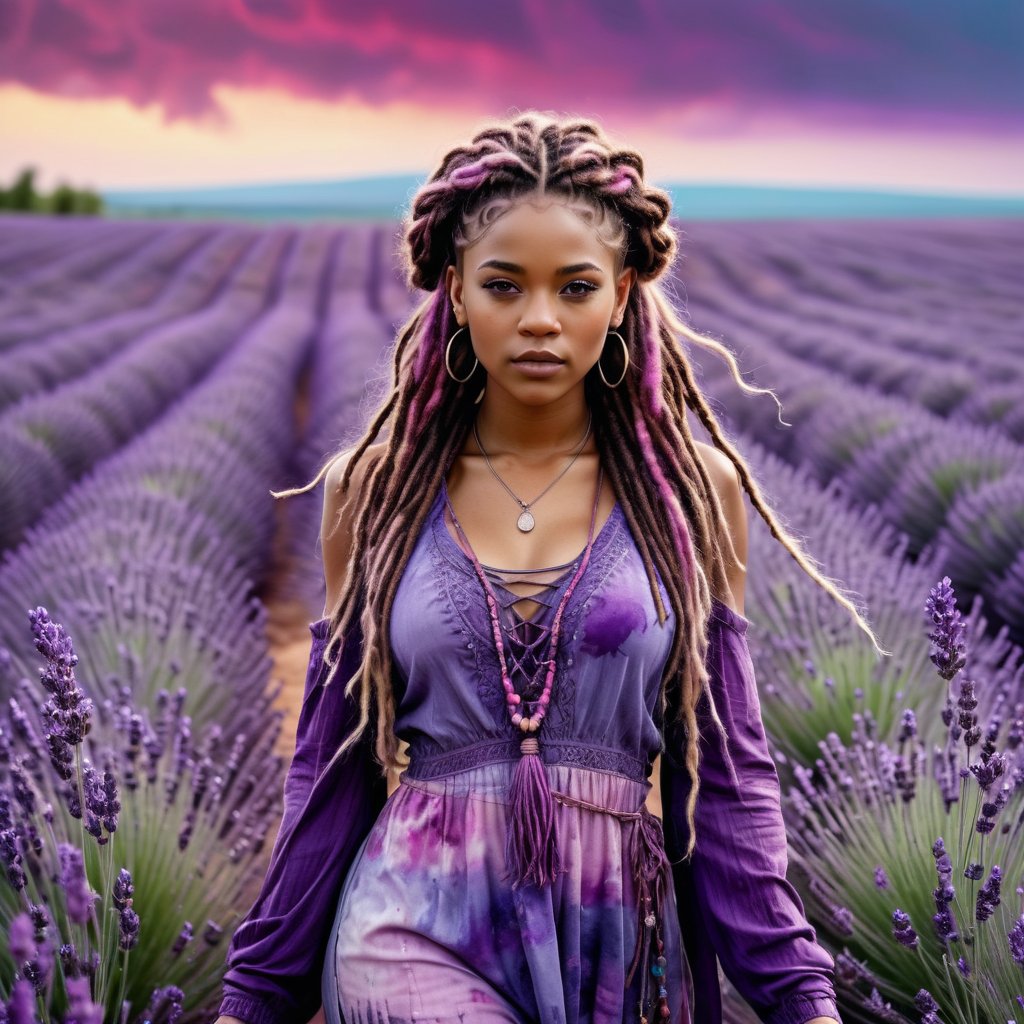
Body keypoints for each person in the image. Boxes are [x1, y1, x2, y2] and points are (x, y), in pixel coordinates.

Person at [216, 111, 884, 1024]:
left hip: (619, 937)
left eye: (575, 287)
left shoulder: (695, 495)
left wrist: (802, 996)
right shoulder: (372, 490)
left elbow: (724, 779)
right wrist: (255, 994)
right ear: (454, 291)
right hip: (414, 919)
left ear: (624, 294)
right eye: (504, 285)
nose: (539, 320)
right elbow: (330, 770)